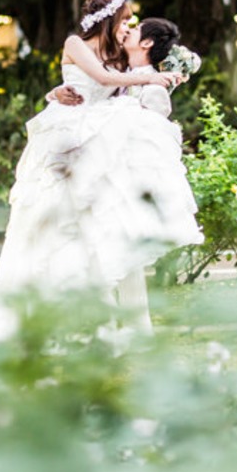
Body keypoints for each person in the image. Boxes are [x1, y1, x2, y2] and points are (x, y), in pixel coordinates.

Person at [0, 0, 195, 343]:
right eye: (125, 22)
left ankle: (92, 320)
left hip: (93, 145)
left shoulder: (120, 59)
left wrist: (156, 77)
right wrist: (55, 93)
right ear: (108, 21)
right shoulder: (76, 43)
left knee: (86, 234)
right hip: (64, 138)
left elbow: (119, 85)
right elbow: (99, 79)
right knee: (43, 224)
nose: (128, 29)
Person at [48, 17, 198, 334]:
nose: (127, 29)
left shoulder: (153, 85)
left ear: (146, 44)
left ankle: (131, 328)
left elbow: (153, 141)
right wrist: (57, 94)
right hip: (102, 183)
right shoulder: (120, 76)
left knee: (122, 259)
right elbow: (91, 97)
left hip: (124, 188)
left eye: (136, 28)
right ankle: (119, 326)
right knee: (109, 257)